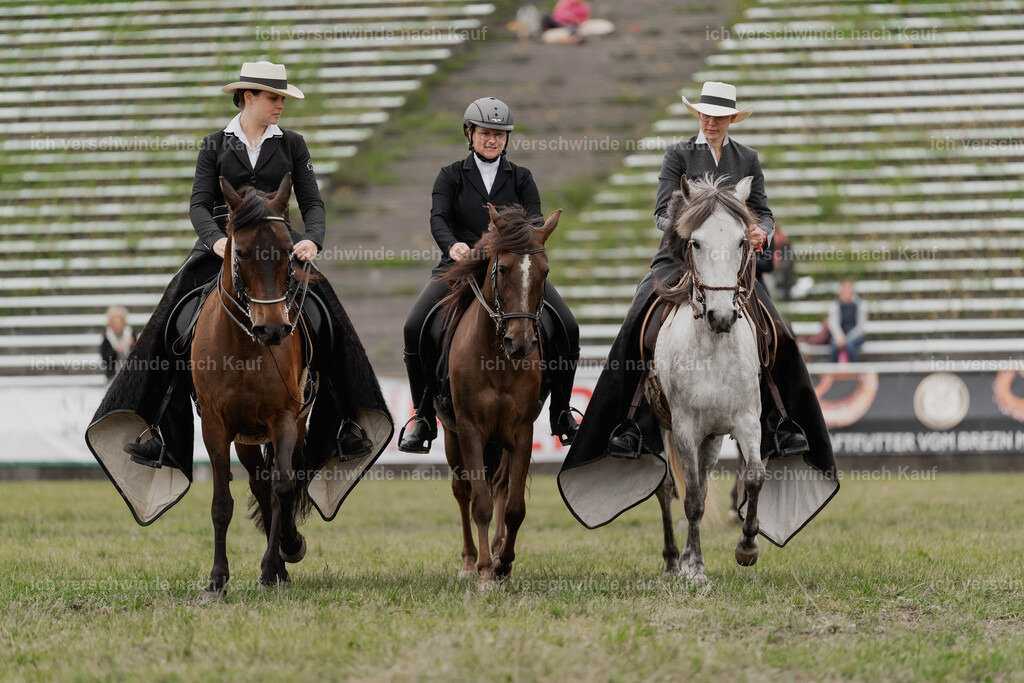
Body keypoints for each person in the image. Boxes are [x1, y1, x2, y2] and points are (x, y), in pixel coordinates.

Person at [86, 62, 392, 512]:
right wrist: (217, 240)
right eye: (274, 97)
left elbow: (311, 201)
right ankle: (156, 429)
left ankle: (347, 419)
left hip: (277, 255)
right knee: (172, 318)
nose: (281, 104)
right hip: (223, 250)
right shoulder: (214, 144)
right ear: (248, 97)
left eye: (283, 97)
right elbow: (197, 203)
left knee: (327, 318)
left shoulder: (293, 144)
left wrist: (311, 238)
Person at [559, 82, 837, 528]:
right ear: (698, 116)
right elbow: (659, 214)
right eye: (705, 114)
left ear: (730, 119)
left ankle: (784, 421)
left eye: (718, 116)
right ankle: (628, 421)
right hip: (679, 257)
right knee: (638, 319)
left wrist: (760, 230)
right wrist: (690, 225)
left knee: (777, 330)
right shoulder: (677, 155)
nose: (710, 121)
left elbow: (763, 210)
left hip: (732, 264)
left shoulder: (747, 158)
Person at [398, 97, 580, 453]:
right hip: (460, 267)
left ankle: (561, 412)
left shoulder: (521, 177)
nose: (492, 140)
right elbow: (438, 218)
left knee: (569, 327)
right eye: (485, 133)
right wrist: (453, 246)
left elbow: (536, 222)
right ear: (470, 134)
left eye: (499, 134)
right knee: (413, 325)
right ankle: (422, 415)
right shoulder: (450, 175)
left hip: (512, 271)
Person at [828, 280, 867, 362]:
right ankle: (835, 371)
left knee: (850, 345)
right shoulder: (836, 305)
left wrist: (847, 338)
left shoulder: (860, 305)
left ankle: (855, 370)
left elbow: (860, 328)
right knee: (834, 345)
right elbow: (834, 324)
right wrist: (839, 335)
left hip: (855, 336)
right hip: (840, 336)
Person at [100, 305, 135, 379]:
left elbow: (139, 356)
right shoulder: (107, 335)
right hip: (113, 374)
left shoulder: (131, 333)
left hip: (131, 373)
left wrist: (132, 345)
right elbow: (105, 358)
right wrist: (115, 350)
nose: (118, 324)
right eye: (115, 321)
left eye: (119, 321)